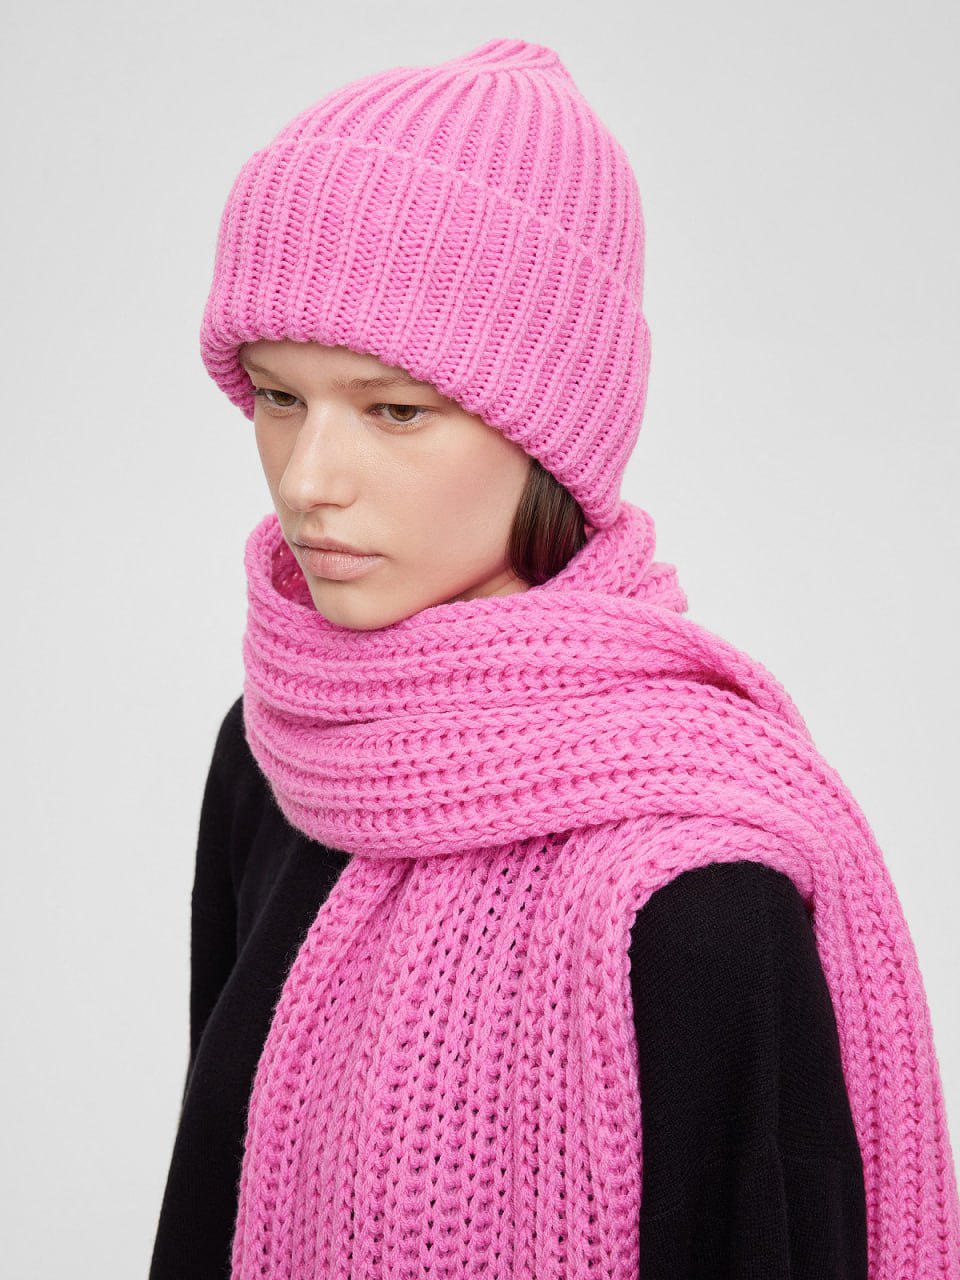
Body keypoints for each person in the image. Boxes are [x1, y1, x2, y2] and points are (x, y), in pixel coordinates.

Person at [149, 37, 960, 1280]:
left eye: (395, 409)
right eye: (277, 396)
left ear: (549, 430)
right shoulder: (275, 760)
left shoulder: (704, 896)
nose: (309, 480)